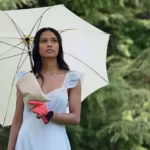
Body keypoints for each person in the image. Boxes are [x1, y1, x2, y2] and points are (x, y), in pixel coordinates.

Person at [7, 27, 83, 150]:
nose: (49, 44)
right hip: (26, 141)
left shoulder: (71, 79)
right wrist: (10, 148)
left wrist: (49, 114)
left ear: (59, 46)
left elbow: (75, 118)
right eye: (43, 41)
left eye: (54, 41)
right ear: (37, 47)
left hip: (55, 142)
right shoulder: (26, 79)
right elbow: (17, 119)